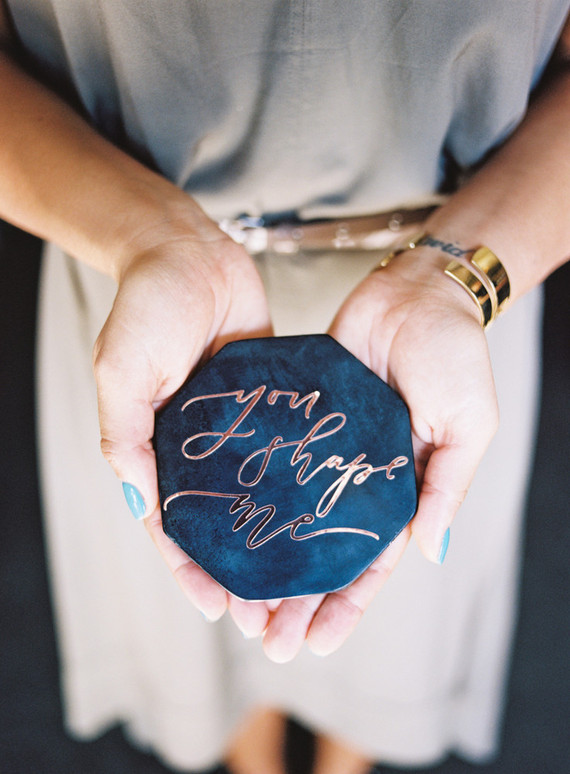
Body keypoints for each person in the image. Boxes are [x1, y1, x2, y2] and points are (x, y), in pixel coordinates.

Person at [1, 2, 569, 772]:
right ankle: (249, 749)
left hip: (458, 291)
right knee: (214, 613)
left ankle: (348, 755)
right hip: (148, 306)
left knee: (383, 619)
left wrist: (458, 281)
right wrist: (145, 237)